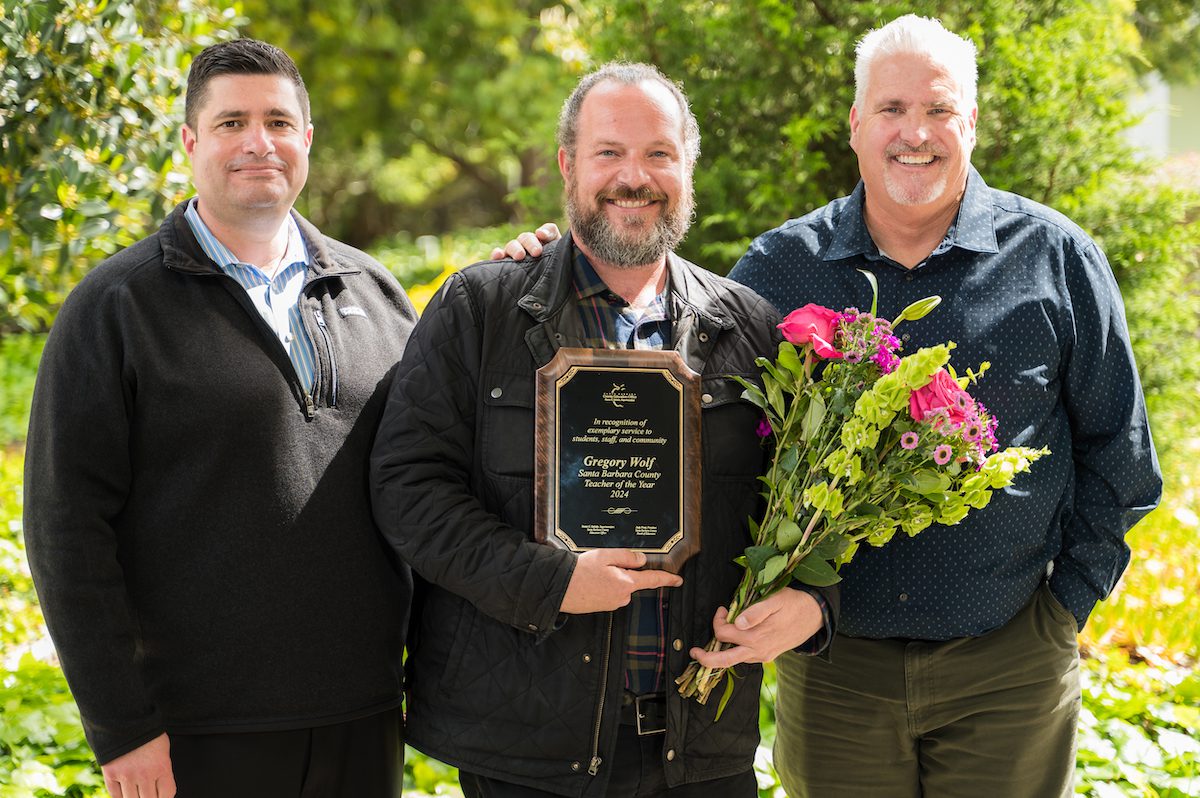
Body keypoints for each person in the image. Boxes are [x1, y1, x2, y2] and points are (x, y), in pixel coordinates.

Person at [369, 62, 836, 798]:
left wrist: (816, 605)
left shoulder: (749, 330)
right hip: (527, 753)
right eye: (609, 153)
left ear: (687, 168)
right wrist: (551, 582)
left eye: (659, 153)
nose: (634, 177)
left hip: (700, 749)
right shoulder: (481, 310)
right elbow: (408, 490)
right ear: (568, 166)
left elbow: (807, 503)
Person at [727, 14, 1162, 797]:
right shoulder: (778, 269)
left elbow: (1121, 458)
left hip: (1009, 668)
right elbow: (717, 444)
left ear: (971, 122)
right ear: (857, 124)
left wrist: (1060, 613)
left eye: (938, 110)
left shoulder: (1057, 260)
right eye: (892, 110)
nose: (914, 133)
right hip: (835, 672)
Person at [24, 38, 416, 798]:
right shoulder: (114, 308)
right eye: (232, 121)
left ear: (306, 139)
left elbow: (428, 479)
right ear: (191, 142)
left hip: (364, 718)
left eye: (277, 119)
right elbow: (65, 529)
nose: (257, 142)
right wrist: (121, 727)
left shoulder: (375, 291)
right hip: (194, 733)